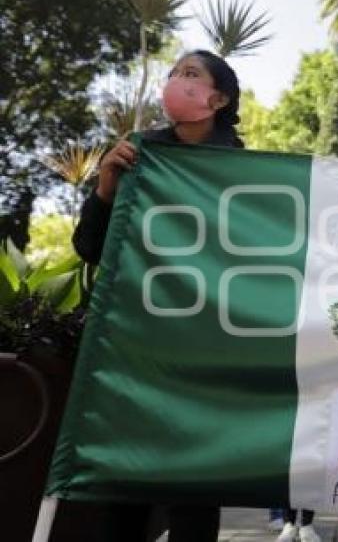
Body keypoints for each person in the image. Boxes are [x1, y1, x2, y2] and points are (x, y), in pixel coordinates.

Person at [72, 49, 244, 542]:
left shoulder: (242, 169)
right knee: (122, 493)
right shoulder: (138, 154)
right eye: (174, 73)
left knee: (192, 495)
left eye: (191, 74)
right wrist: (106, 187)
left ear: (219, 98)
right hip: (135, 353)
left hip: (203, 357)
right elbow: (89, 248)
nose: (176, 81)